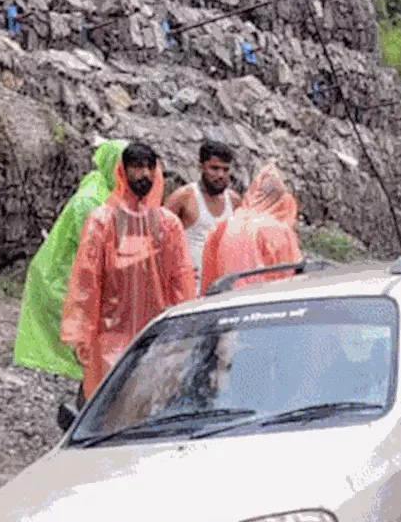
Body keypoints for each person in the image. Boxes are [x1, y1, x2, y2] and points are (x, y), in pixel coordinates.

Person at [61, 141, 197, 399]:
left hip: (156, 332)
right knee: (110, 403)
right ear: (123, 171)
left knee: (151, 401)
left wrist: (184, 327)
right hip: (109, 333)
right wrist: (81, 330)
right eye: (136, 167)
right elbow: (87, 279)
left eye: (149, 167)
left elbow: (180, 280)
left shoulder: (167, 225)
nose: (144, 174)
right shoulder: (101, 221)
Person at [13, 139, 127, 391]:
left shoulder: (103, 187)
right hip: (64, 276)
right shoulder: (89, 203)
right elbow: (95, 255)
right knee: (87, 350)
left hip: (79, 276)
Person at [199, 162, 303, 294]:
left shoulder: (223, 225)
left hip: (227, 304)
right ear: (286, 200)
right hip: (264, 305)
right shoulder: (278, 230)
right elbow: (291, 281)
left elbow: (208, 281)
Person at [165, 140, 239, 292]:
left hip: (224, 284)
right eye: (214, 168)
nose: (221, 175)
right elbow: (161, 240)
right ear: (201, 167)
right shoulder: (183, 197)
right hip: (191, 286)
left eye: (226, 170)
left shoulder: (234, 201)